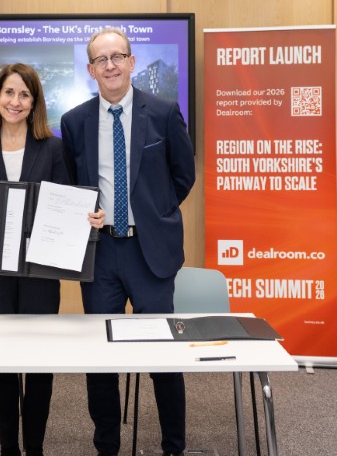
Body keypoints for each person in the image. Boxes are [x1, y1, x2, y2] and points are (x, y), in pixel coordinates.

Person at [0, 63, 104, 456]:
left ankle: (33, 448)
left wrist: (89, 217)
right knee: (1, 366)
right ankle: (8, 449)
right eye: (8, 93)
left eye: (24, 95)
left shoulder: (52, 147)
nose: (15, 102)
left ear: (34, 102)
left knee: (38, 364)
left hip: (40, 272)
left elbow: (67, 202)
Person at [60, 28, 196, 456]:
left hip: (150, 253)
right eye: (102, 60)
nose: (111, 65)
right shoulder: (75, 121)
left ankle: (173, 446)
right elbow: (71, 185)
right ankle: (107, 446)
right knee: (100, 359)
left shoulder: (164, 111)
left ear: (132, 62)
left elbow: (183, 176)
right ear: (90, 70)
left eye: (119, 56)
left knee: (164, 359)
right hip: (100, 256)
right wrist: (86, 212)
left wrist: (152, 214)